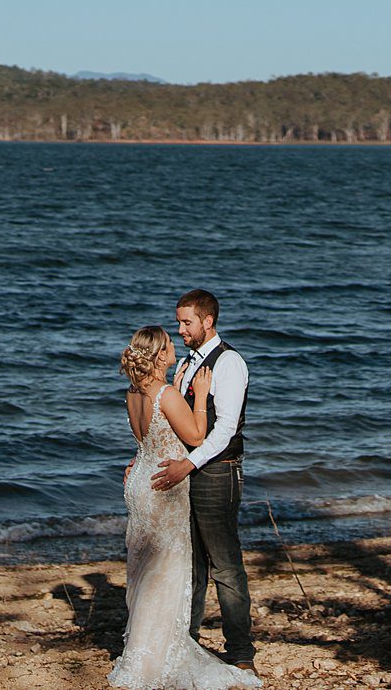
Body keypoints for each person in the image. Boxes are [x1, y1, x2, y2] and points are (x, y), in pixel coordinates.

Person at [113, 325, 260, 690]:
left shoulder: (133, 393)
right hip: (167, 486)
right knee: (168, 568)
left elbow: (148, 437)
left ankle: (142, 651)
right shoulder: (165, 393)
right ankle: (161, 654)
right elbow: (195, 435)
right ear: (160, 355)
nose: (176, 343)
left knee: (145, 568)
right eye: (168, 343)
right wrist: (200, 397)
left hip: (142, 480)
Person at [150, 289, 252, 671]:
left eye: (186, 322)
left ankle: (241, 654)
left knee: (225, 565)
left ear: (207, 321)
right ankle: (187, 643)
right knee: (191, 564)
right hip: (189, 468)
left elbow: (225, 429)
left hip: (217, 472)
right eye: (179, 322)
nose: (180, 329)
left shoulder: (229, 363)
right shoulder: (189, 363)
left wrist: (188, 465)